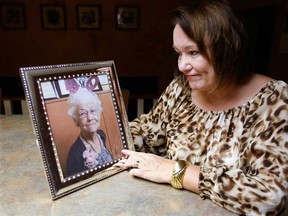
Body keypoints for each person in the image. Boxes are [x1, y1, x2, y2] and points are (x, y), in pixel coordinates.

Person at [115, 0, 288, 215]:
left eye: (193, 52)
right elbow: (148, 132)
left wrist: (175, 171)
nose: (182, 65)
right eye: (178, 53)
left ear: (228, 49)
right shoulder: (181, 89)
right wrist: (103, 136)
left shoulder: (274, 100)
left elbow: (270, 197)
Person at [66, 88, 113, 176]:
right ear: (76, 120)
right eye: (83, 113)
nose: (90, 118)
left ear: (98, 114)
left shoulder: (101, 135)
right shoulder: (75, 154)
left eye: (93, 111)